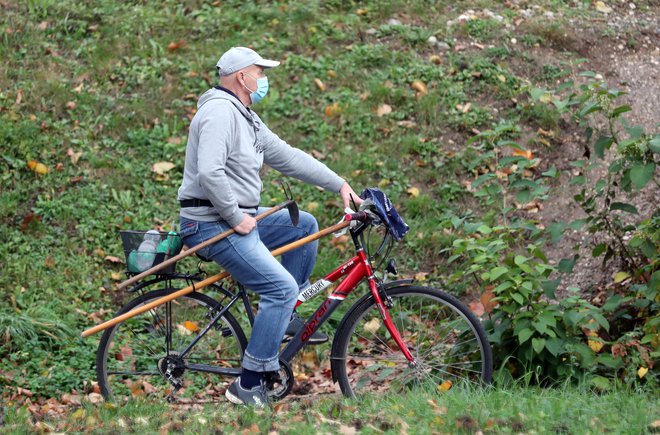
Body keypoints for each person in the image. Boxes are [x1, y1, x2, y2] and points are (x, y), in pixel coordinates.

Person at [177, 46, 362, 407]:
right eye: (259, 72)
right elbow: (209, 172)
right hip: (210, 223)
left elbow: (288, 156)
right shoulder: (218, 112)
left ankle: (285, 315)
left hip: (235, 215)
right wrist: (235, 217)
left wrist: (339, 184)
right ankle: (247, 384)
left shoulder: (245, 117)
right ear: (240, 77)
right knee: (279, 287)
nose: (263, 79)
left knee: (303, 225)